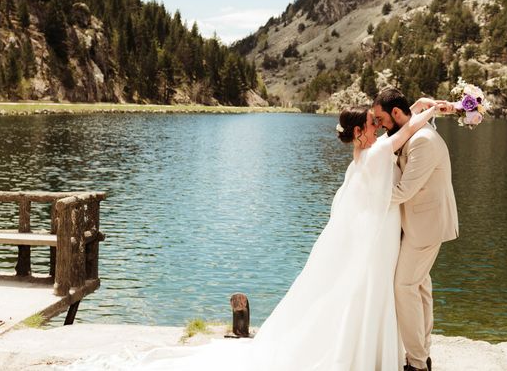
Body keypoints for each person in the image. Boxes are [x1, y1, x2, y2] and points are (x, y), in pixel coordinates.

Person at [66, 99, 443, 371]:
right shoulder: (376, 154)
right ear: (360, 131)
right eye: (373, 124)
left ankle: (368, 350)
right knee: (367, 294)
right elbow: (408, 129)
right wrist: (430, 108)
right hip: (375, 241)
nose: (379, 126)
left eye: (378, 123)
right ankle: (370, 354)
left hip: (372, 238)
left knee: (361, 295)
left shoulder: (361, 157)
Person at [372, 87, 459, 371]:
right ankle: (422, 355)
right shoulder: (411, 129)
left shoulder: (422, 141)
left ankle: (417, 364)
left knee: (404, 286)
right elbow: (407, 123)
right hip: (417, 224)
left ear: (396, 113)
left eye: (382, 118)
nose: (380, 125)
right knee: (419, 288)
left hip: (427, 225)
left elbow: (405, 190)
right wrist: (421, 106)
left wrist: (367, 200)